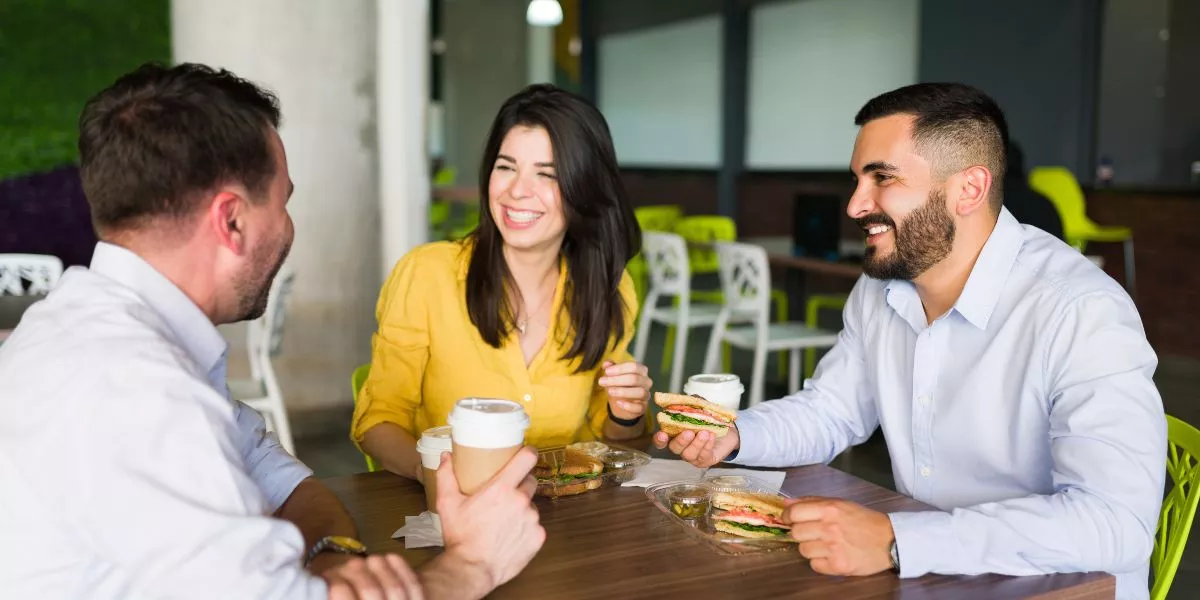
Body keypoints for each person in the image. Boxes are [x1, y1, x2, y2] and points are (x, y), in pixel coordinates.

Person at [0, 62, 544, 600]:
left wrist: (331, 555)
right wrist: (474, 563)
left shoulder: (93, 326)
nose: (287, 228)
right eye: (283, 201)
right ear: (232, 221)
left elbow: (271, 471)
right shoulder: (140, 390)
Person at [655, 83, 1164, 600]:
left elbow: (1114, 524)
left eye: (883, 178)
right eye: (857, 179)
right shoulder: (880, 290)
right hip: (932, 574)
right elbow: (833, 411)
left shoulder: (1079, 310)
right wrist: (736, 436)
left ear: (969, 189)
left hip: (1060, 588)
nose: (855, 205)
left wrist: (899, 541)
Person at [353, 84, 653, 481]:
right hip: (452, 516)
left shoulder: (609, 290)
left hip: (569, 513)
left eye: (546, 174)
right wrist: (441, 481)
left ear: (585, 188)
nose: (516, 191)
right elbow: (378, 422)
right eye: (506, 166)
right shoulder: (427, 275)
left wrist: (626, 414)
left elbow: (613, 438)